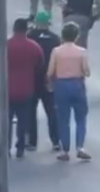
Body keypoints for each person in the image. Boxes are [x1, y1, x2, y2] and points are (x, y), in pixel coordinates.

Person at [47, 22, 91, 161]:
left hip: (61, 85)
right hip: (77, 84)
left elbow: (50, 72)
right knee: (81, 118)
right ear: (76, 36)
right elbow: (87, 72)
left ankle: (65, 150)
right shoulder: (82, 52)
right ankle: (80, 147)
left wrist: (50, 84)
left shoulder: (56, 51)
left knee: (63, 119)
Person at [7, 18, 44, 158]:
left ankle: (5, 147)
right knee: (23, 120)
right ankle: (20, 147)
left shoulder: (6, 45)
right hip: (26, 89)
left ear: (14, 29)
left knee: (6, 120)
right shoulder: (33, 46)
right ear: (26, 29)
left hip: (7, 90)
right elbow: (40, 65)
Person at [26, 11, 61, 151]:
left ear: (36, 22)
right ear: (48, 23)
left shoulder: (30, 36)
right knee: (52, 111)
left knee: (30, 111)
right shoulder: (54, 38)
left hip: (32, 78)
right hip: (49, 79)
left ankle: (32, 141)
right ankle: (56, 140)